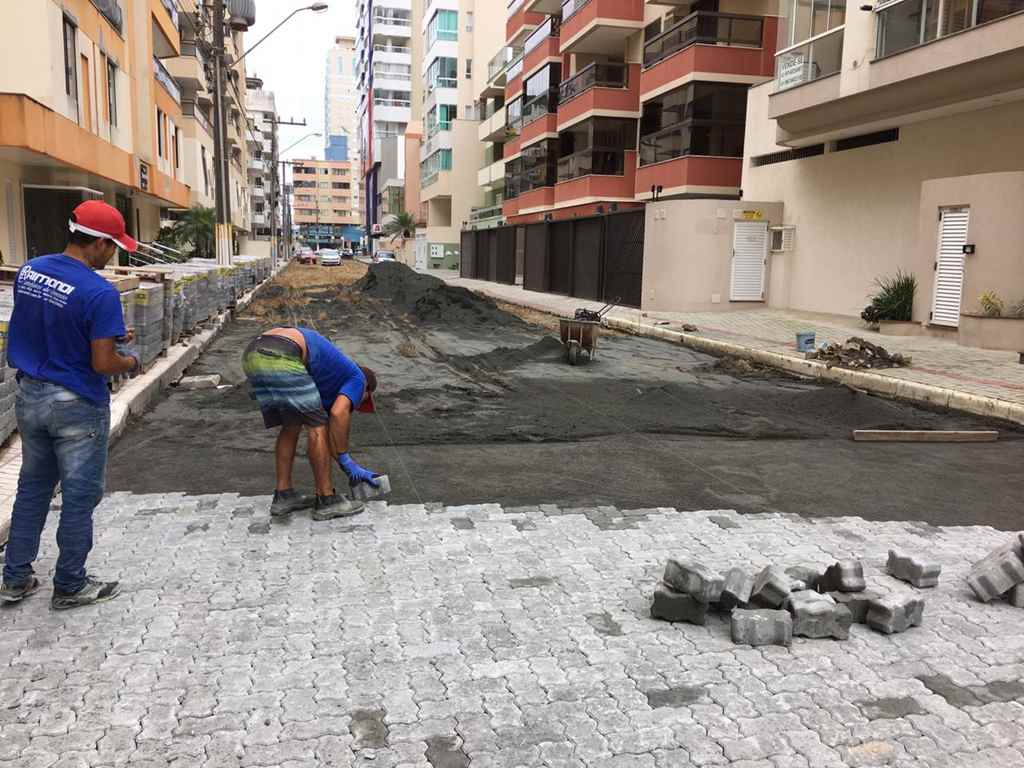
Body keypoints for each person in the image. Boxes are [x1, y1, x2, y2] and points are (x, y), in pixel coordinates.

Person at [0, 200, 141, 609]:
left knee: (33, 488)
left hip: (30, 397)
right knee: (80, 497)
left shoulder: (30, 271)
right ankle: (70, 584)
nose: (113, 253)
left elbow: (50, 322)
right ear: (97, 244)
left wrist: (109, 333)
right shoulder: (99, 292)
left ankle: (15, 577)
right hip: (76, 404)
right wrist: (129, 362)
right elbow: (102, 363)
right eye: (113, 245)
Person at [241, 326, 380, 519]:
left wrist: (345, 462)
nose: (354, 405)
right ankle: (326, 499)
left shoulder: (327, 374)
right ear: (367, 391)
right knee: (318, 426)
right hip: (282, 353)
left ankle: (284, 495)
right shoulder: (358, 379)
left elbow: (331, 428)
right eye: (360, 401)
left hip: (253, 353)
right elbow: (338, 414)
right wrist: (346, 461)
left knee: (292, 424)